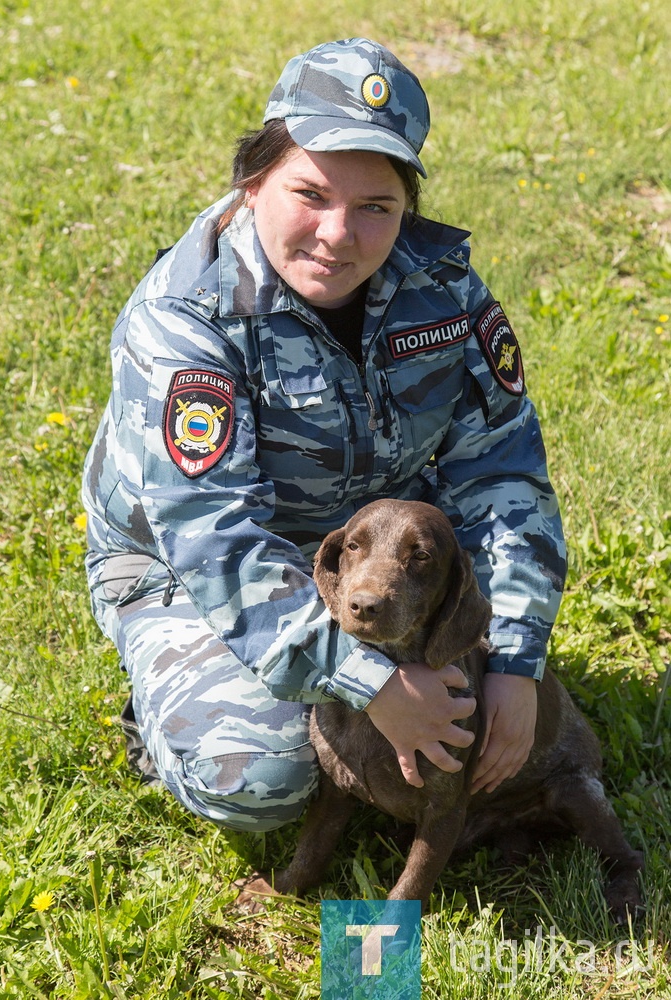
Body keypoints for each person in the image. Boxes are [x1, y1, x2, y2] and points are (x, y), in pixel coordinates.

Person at [82, 37, 567, 832]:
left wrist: (514, 660)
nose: (338, 234)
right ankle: (164, 713)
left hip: (380, 562)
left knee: (470, 715)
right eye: (309, 193)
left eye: (375, 206)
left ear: (405, 206)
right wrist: (370, 684)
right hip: (185, 571)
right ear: (251, 183)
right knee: (263, 777)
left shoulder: (440, 286)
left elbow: (502, 475)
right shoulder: (185, 318)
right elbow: (214, 537)